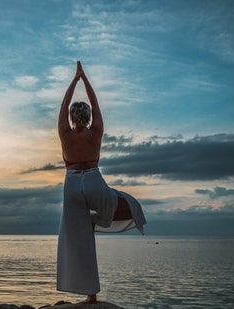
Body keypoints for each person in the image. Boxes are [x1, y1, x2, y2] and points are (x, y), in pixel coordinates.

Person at [56, 61, 146, 304]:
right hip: (94, 179)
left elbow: (63, 107)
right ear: (87, 117)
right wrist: (85, 79)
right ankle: (101, 220)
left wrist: (74, 80)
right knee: (114, 203)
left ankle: (89, 292)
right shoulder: (95, 132)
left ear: (73, 117)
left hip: (73, 183)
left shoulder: (65, 133)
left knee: (78, 238)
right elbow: (95, 104)